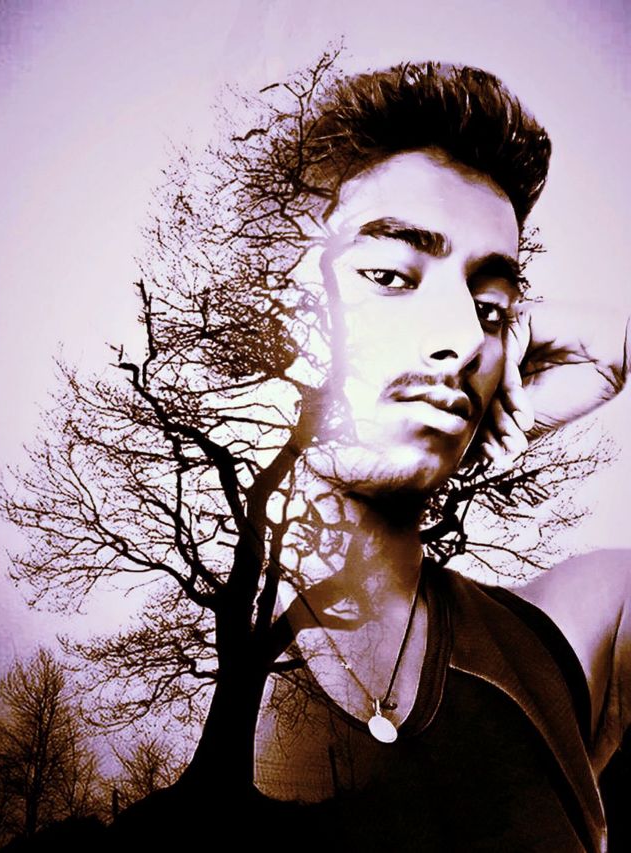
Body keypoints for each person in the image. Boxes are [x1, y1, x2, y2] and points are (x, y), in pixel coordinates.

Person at [249, 63, 630, 852]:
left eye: (488, 306)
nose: (461, 338)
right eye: (390, 275)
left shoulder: (554, 640)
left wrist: (610, 352)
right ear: (285, 305)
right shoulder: (151, 669)